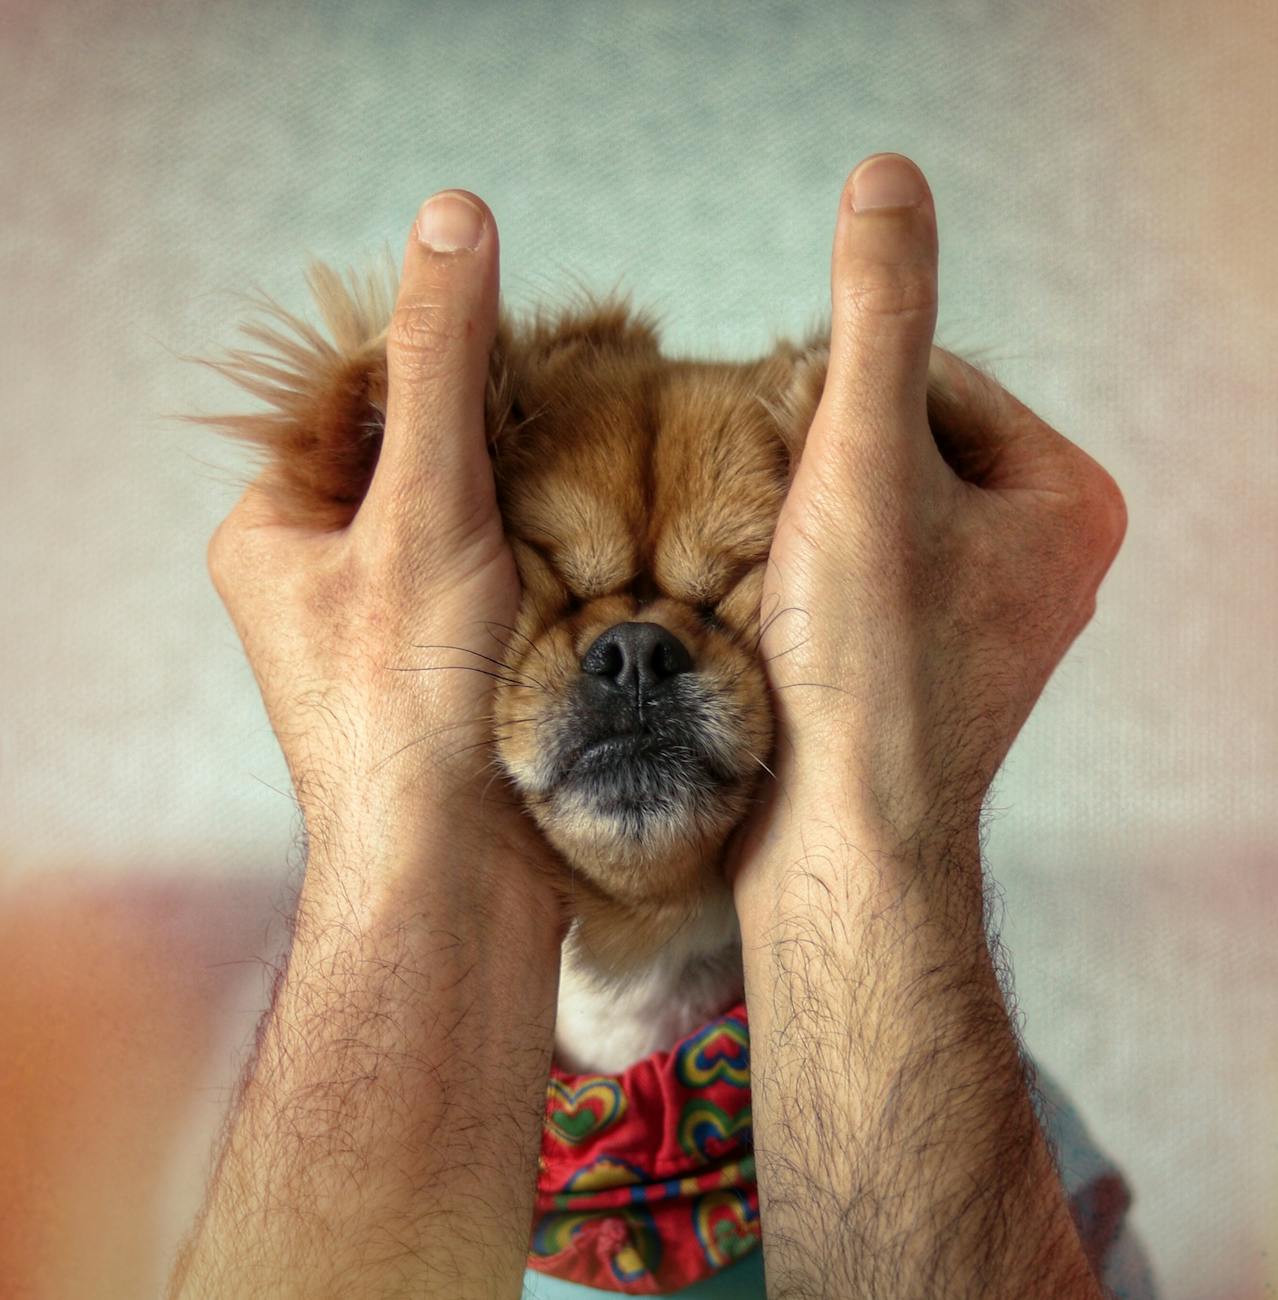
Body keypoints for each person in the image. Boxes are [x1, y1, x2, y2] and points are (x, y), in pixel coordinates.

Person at [168, 154, 1149, 1299]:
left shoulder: (1018, 1175)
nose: (633, 653)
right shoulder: (313, 1139)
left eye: (729, 585)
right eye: (559, 581)